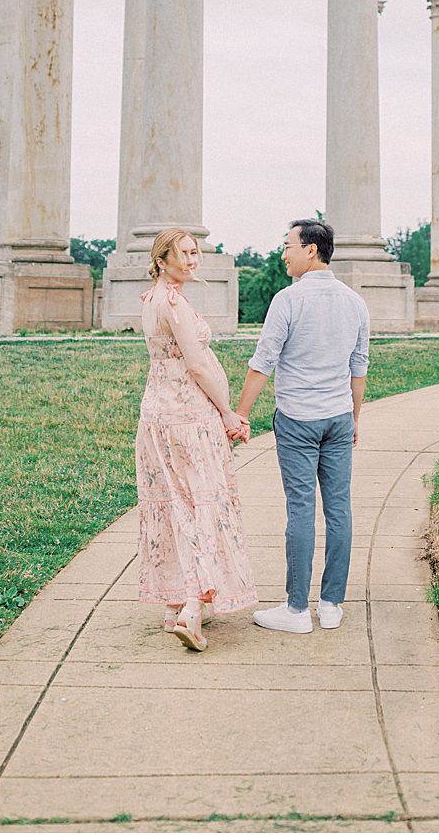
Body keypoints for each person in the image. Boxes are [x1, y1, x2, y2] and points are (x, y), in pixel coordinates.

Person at [235, 218, 369, 633]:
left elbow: (264, 362)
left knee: (300, 511)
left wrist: (240, 413)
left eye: (288, 245)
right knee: (339, 509)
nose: (283, 253)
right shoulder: (355, 302)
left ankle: (296, 610)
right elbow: (358, 368)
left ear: (311, 250)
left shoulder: (288, 300)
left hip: (297, 420)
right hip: (338, 418)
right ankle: (330, 605)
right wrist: (354, 419)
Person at [135, 228, 257, 651]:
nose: (194, 260)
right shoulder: (173, 303)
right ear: (163, 258)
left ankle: (172, 604)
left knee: (171, 502)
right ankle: (192, 604)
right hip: (188, 416)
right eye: (186, 253)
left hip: (156, 413)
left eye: (196, 252)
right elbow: (199, 365)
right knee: (201, 505)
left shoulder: (150, 300)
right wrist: (228, 413)